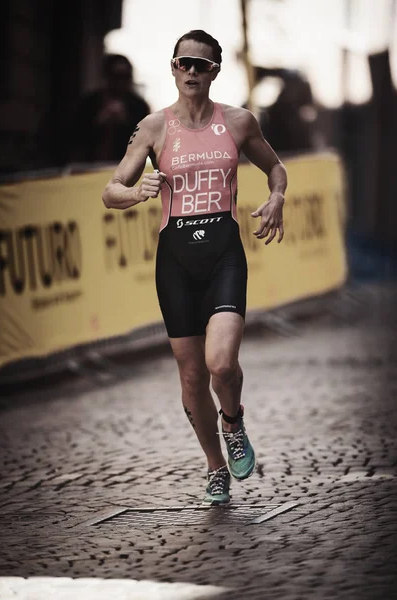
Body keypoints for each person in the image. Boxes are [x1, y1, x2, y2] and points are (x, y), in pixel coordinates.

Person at [102, 30, 287, 505]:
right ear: (172, 67)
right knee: (190, 376)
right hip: (176, 260)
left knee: (221, 365)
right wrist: (136, 191)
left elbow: (275, 168)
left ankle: (233, 422)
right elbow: (111, 191)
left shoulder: (239, 122)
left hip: (224, 252)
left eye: (200, 65)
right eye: (183, 63)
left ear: (214, 72)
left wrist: (277, 198)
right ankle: (214, 466)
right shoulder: (153, 128)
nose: (190, 71)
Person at [70, 54, 150, 163]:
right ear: (106, 77)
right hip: (90, 166)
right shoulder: (89, 103)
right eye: (116, 76)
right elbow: (75, 137)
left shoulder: (139, 106)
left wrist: (126, 121)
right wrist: (99, 121)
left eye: (125, 77)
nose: (120, 82)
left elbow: (145, 143)